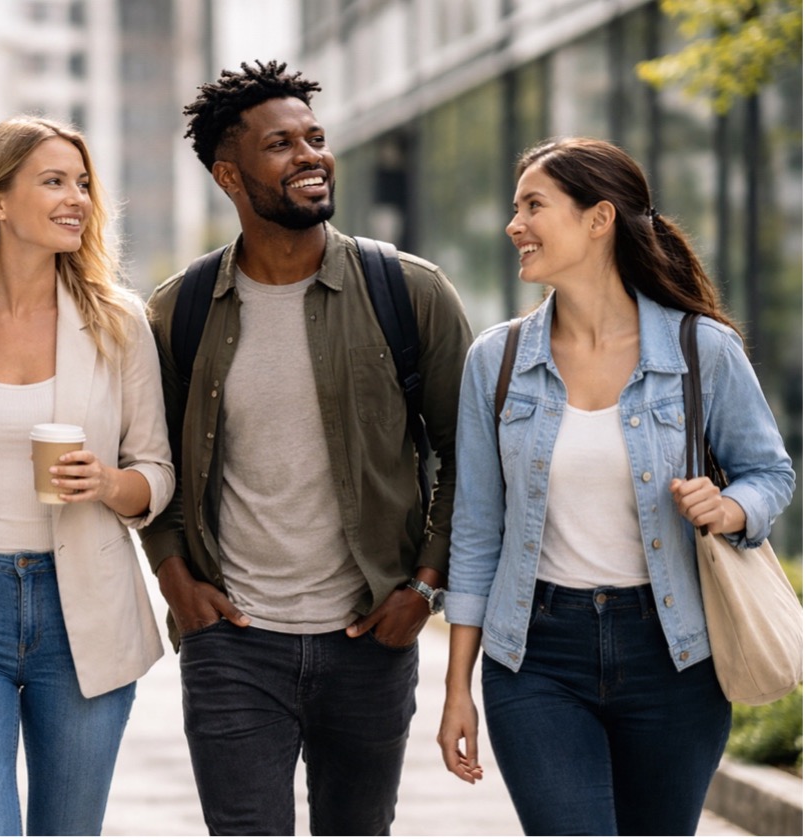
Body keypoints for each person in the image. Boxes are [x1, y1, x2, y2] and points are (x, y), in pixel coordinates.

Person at [140, 60, 473, 835]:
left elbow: (468, 455)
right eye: (281, 144)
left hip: (370, 637)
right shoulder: (180, 310)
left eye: (315, 138)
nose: (310, 156)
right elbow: (152, 461)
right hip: (233, 643)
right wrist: (175, 579)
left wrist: (424, 588)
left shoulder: (409, 291)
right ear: (229, 175)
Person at [437, 137, 796, 835]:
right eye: (515, 208)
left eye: (533, 206)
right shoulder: (497, 361)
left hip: (675, 654)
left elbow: (770, 473)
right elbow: (477, 529)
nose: (514, 225)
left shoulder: (701, 349)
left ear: (599, 218)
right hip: (536, 657)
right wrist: (457, 689)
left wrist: (728, 508)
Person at [0, 116, 174, 836]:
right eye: (53, 181)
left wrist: (108, 484)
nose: (76, 198)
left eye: (82, 183)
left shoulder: (118, 322)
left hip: (82, 602)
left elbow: (157, 472)